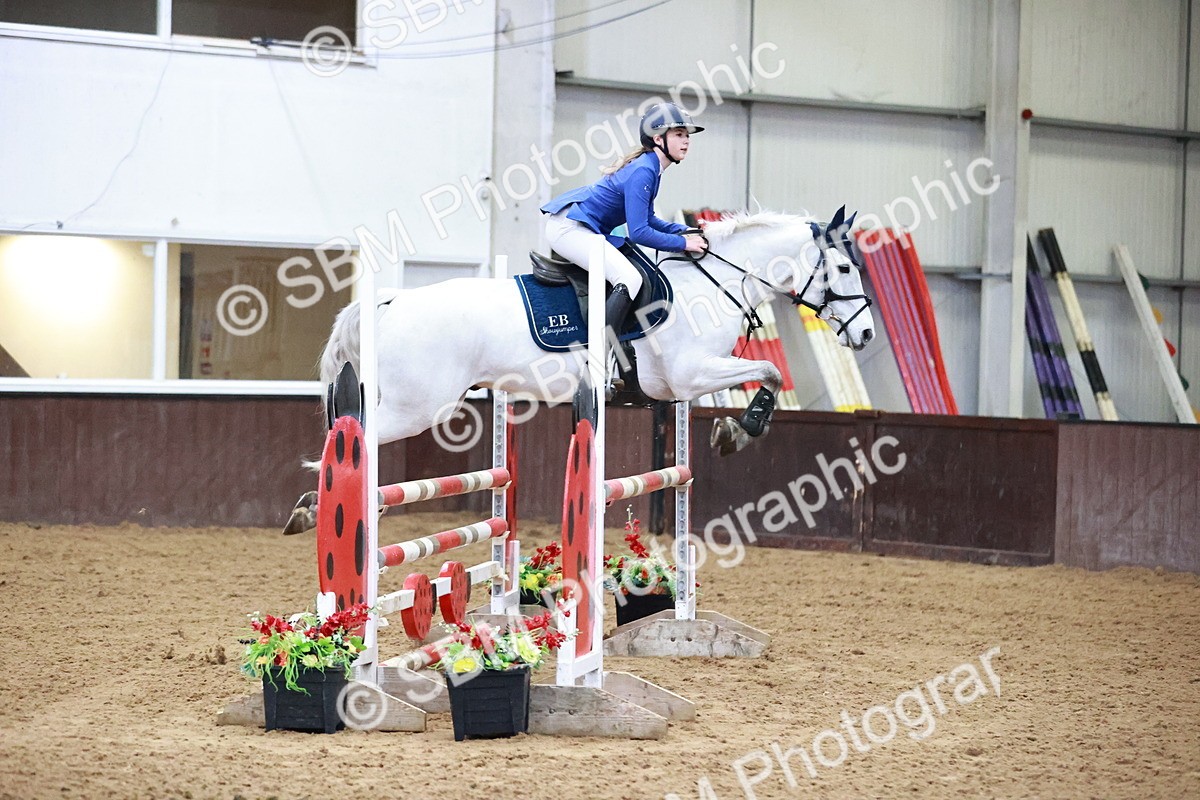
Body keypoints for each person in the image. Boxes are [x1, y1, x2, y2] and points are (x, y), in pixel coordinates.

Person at [540, 102, 709, 389]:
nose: (686, 141)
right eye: (679, 134)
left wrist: (685, 230)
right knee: (629, 277)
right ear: (659, 138)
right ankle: (598, 359)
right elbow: (640, 232)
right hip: (569, 228)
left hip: (583, 227)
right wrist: (683, 243)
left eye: (687, 135)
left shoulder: (652, 168)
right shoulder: (644, 171)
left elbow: (649, 219)